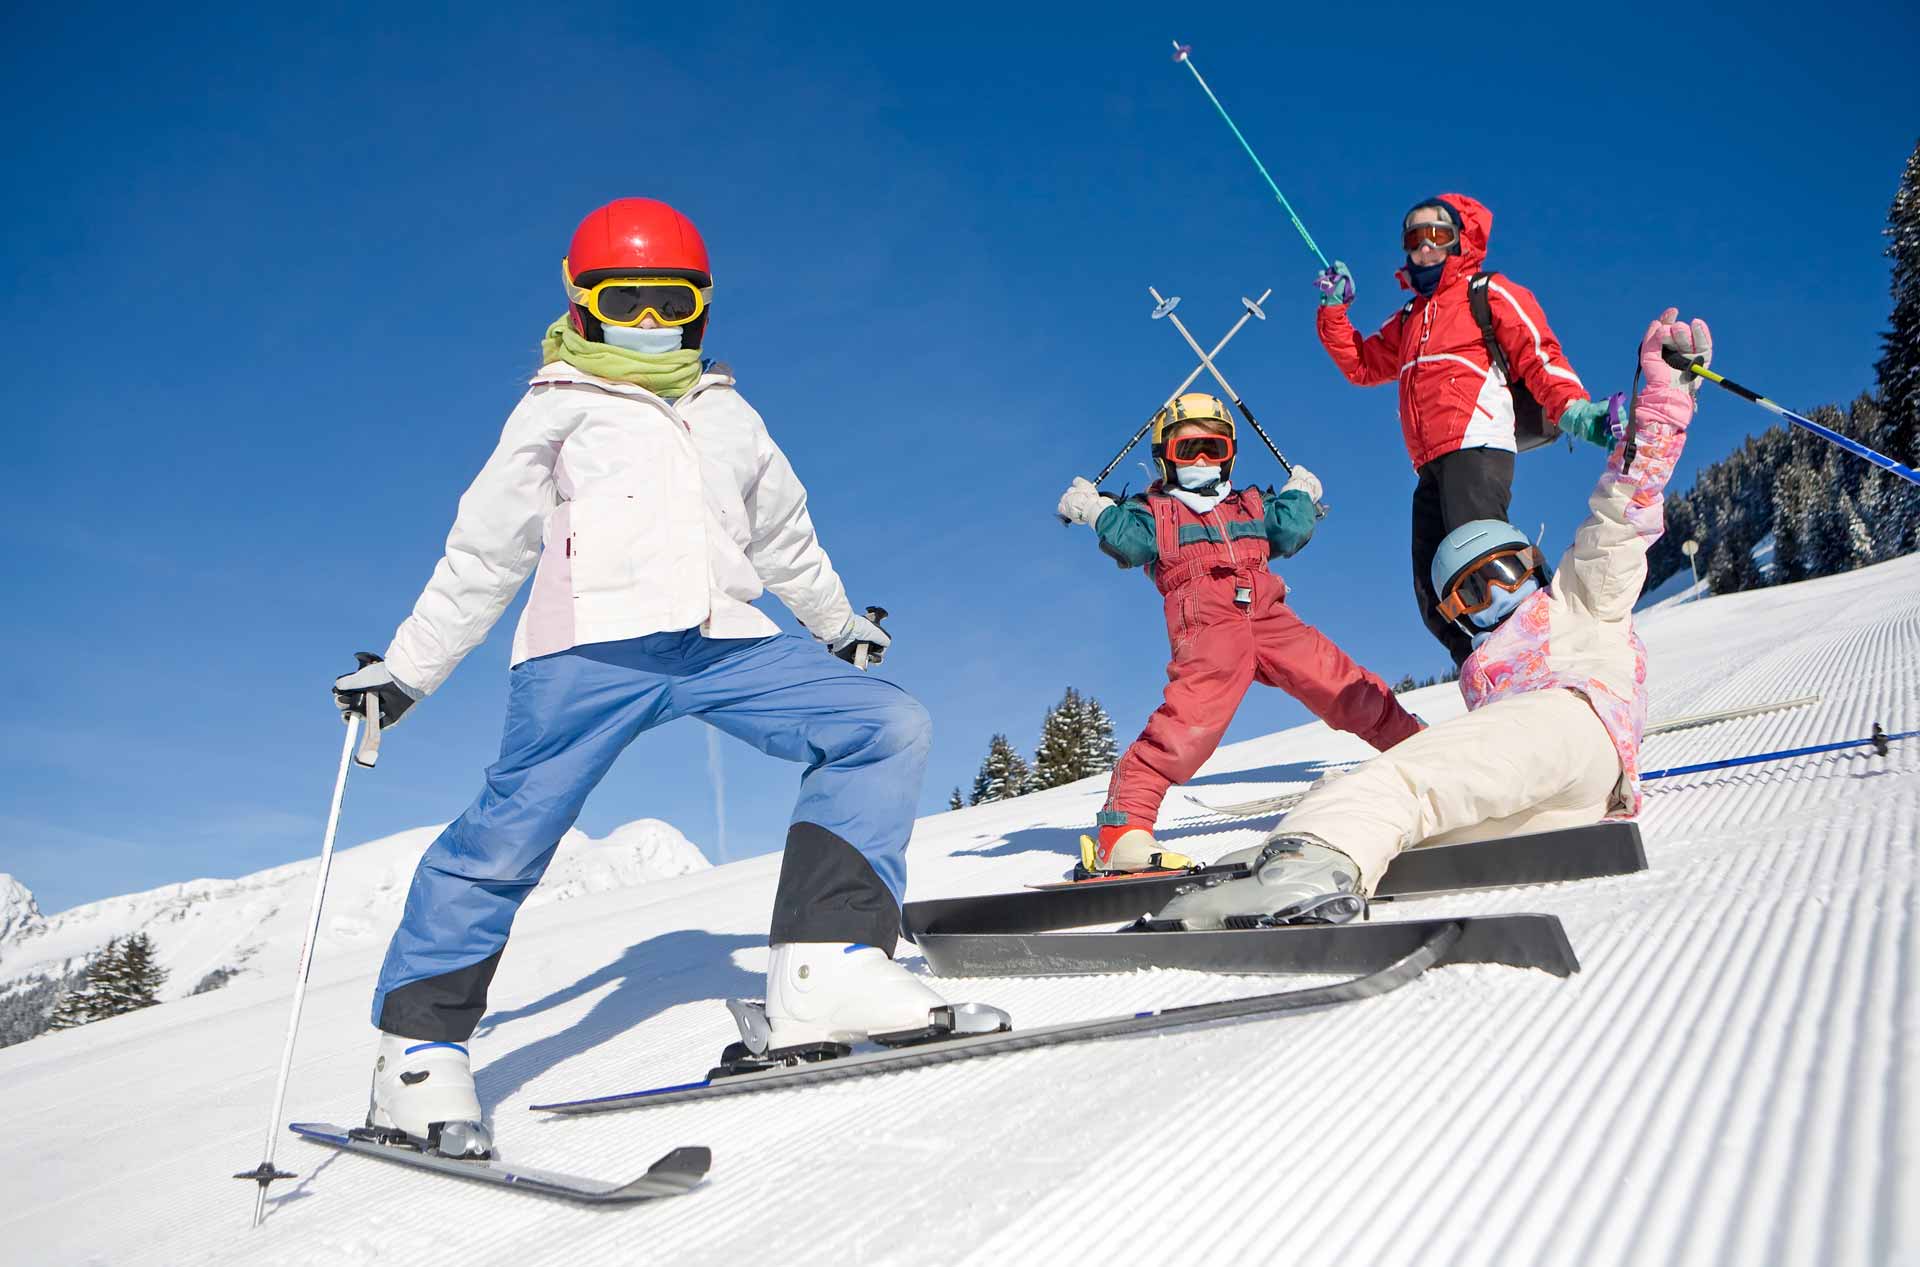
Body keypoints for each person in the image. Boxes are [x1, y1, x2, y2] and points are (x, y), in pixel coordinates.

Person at [331, 198, 977, 1157]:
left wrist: (837, 625)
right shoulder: (554, 407)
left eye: (665, 299)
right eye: (623, 299)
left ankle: (824, 967)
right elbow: (485, 550)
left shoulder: (729, 413)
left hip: (722, 639)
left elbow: (784, 534)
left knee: (883, 725)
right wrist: (408, 672)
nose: (646, 322)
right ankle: (417, 1056)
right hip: (587, 649)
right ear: (582, 299)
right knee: (507, 836)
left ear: (700, 305)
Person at [1159, 310, 1711, 928]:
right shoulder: (1485, 665)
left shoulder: (1579, 600)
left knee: (1408, 778)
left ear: (1533, 566)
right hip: (1567, 800)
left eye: (1502, 573)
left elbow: (1624, 509)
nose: (1491, 597)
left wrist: (1661, 407)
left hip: (1572, 722)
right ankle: (1293, 861)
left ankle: (1308, 861)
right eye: (1468, 594)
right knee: (1423, 823)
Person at [1056, 393, 1424, 875]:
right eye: (1189, 451)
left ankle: (1421, 753)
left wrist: (1300, 494)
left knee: (1344, 683)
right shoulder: (1156, 512)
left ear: (1230, 454)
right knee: (1188, 723)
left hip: (1269, 614)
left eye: (1215, 448)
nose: (1203, 460)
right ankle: (1122, 833)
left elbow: (1288, 530)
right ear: (1165, 458)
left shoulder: (1249, 503)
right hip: (1208, 621)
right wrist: (1095, 509)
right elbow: (1130, 540)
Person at [1313, 193, 1626, 666]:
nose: (1425, 247)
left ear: (1460, 240)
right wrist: (1335, 311)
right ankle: (1482, 668)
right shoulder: (1408, 320)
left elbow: (1539, 355)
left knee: (1481, 569)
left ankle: (1534, 654)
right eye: (1414, 238)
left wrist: (1577, 411)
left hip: (1477, 443)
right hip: (1429, 463)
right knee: (1432, 587)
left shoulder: (1486, 292)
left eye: (1437, 235)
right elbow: (1360, 364)